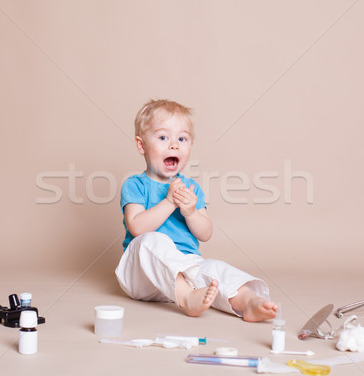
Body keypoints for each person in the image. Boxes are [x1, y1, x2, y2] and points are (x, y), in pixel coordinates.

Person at [115, 99, 277, 322]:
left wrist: (191, 212)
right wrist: (169, 202)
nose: (174, 145)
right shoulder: (135, 185)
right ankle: (187, 298)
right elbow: (137, 228)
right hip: (142, 277)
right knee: (151, 241)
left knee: (214, 268)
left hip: (186, 269)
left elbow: (205, 233)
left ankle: (248, 302)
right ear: (142, 145)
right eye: (163, 138)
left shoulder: (191, 189)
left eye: (182, 138)